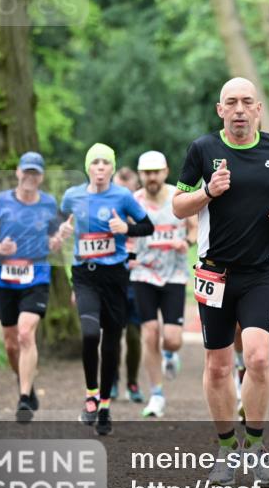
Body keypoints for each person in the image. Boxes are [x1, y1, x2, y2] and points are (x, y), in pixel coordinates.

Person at [172, 77, 269, 485]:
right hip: (214, 270)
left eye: (246, 102)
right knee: (217, 367)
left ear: (258, 108)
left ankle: (258, 446)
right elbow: (179, 206)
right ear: (220, 110)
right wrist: (208, 194)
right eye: (230, 102)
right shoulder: (203, 150)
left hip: (260, 271)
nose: (238, 109)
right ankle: (227, 449)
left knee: (259, 357)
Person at [59, 144, 154, 436]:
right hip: (85, 275)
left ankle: (104, 406)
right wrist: (62, 231)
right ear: (88, 167)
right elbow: (61, 221)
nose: (100, 167)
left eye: (105, 163)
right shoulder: (72, 196)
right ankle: (90, 395)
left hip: (115, 277)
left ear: (112, 169)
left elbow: (147, 226)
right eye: (95, 162)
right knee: (89, 334)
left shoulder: (123, 196)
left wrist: (126, 229)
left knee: (112, 341)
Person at [0, 152, 69, 422]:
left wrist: (58, 240)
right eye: (26, 172)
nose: (30, 177)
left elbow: (54, 239)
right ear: (18, 173)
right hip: (4, 278)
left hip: (36, 275)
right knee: (10, 345)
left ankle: (23, 400)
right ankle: (25, 383)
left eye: (35, 173)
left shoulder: (48, 204)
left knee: (25, 333)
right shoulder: (1, 201)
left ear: (41, 177)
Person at [131, 150, 197, 418]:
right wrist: (130, 255)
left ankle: (170, 355)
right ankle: (156, 394)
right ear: (140, 174)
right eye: (146, 173)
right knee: (149, 333)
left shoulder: (177, 198)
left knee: (171, 339)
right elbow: (123, 233)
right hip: (143, 274)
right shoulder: (132, 201)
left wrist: (187, 242)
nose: (151, 178)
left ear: (165, 172)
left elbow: (194, 228)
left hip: (173, 275)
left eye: (156, 172)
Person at [113, 166, 144, 403]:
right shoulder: (106, 212)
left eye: (127, 190)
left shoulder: (142, 213)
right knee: (112, 334)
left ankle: (132, 382)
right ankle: (112, 381)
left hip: (139, 281)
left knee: (134, 336)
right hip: (113, 280)